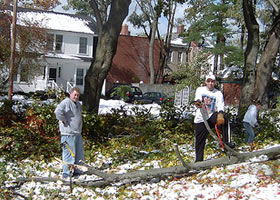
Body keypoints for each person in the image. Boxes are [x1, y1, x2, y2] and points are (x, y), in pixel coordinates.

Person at [193, 73, 234, 162]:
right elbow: (197, 98)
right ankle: (198, 161)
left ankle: (227, 142)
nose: (210, 83)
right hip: (201, 119)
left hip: (211, 117)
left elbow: (220, 104)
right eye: (208, 81)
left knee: (225, 118)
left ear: (215, 82)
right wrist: (198, 102)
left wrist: (220, 113)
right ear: (205, 82)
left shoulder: (218, 93)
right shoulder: (200, 90)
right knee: (199, 142)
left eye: (212, 81)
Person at [54, 87, 84, 178]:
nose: (76, 97)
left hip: (77, 133)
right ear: (70, 94)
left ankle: (78, 170)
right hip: (68, 133)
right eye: (74, 95)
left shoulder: (78, 104)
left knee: (79, 153)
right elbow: (57, 111)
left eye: (78, 95)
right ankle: (67, 172)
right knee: (69, 153)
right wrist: (63, 120)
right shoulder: (66, 102)